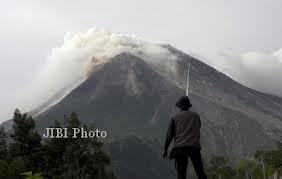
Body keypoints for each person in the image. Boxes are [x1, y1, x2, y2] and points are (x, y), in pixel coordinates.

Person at [163, 96, 207, 179]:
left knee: (181, 173)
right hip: (194, 147)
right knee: (200, 172)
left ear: (180, 106)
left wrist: (165, 149)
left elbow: (169, 136)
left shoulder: (175, 118)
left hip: (180, 148)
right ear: (188, 106)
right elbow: (198, 126)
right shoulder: (196, 116)